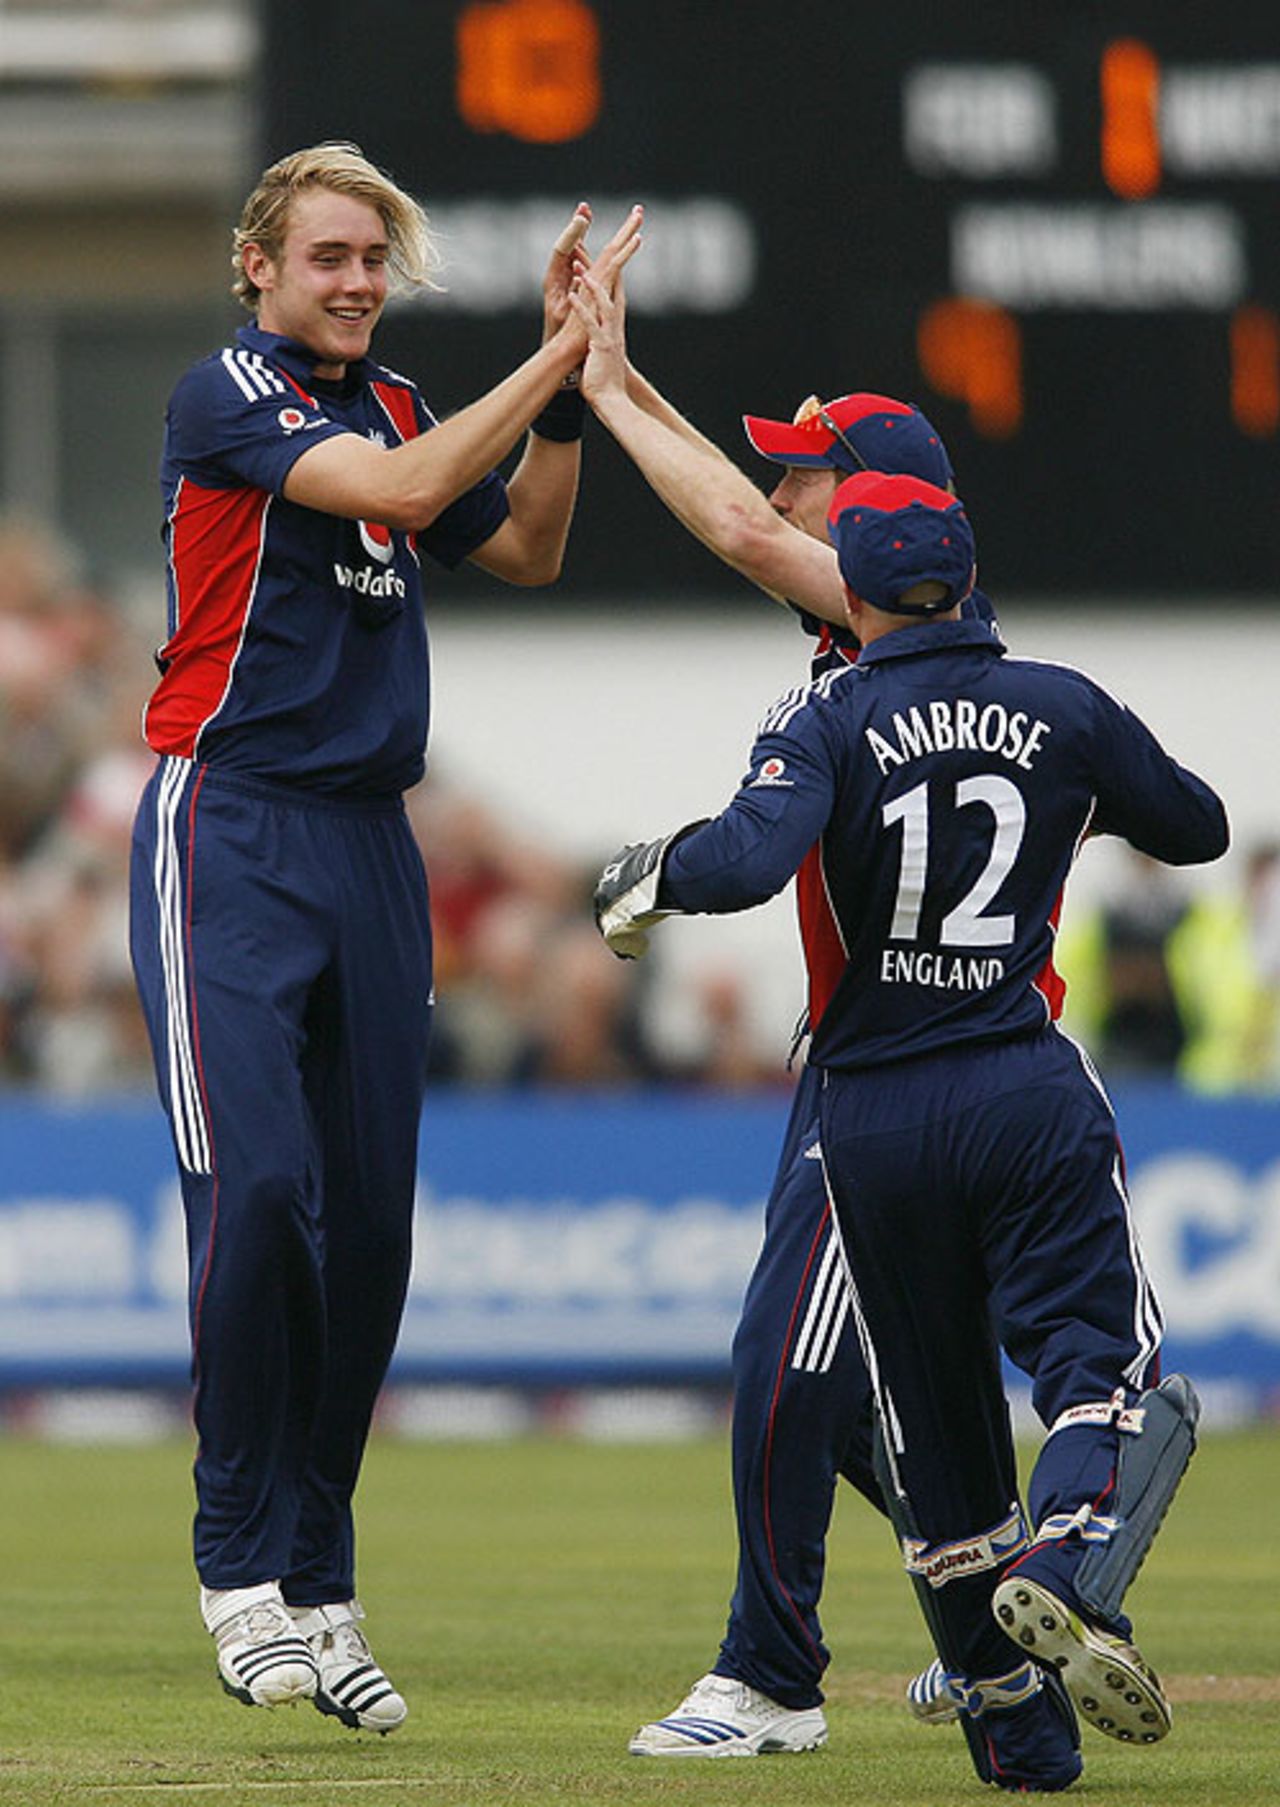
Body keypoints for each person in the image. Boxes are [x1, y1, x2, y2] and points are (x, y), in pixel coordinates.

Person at [590, 457, 1228, 1790]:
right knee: (1099, 1367)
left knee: (936, 1441)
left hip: (871, 1119)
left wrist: (647, 875)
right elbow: (1198, 827)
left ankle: (1018, 1731)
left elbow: (745, 862)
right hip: (1017, 1081)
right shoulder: (1062, 703)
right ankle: (1072, 1558)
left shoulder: (827, 716)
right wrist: (1076, 789)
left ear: (857, 596)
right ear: (968, 577)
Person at [127, 142, 641, 1733]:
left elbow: (528, 546)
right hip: (229, 828)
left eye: (374, 259)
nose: (357, 282)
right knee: (260, 1195)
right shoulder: (228, 393)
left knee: (369, 1237)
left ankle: (321, 1580)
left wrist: (565, 401)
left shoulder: (407, 402)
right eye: (330, 256)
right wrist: (558, 353)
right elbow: (407, 499)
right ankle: (237, 1567)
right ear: (259, 266)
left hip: (369, 842)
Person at [571, 277, 983, 1751]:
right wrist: (618, 375)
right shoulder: (894, 631)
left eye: (808, 470)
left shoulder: (896, 643)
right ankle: (1006, 1612)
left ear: (871, 511)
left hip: (906, 1061)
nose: (778, 490)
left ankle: (771, 1678)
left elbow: (746, 533)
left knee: (783, 1360)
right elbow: (760, 523)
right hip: (918, 1055)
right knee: (869, 1388)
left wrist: (601, 390)